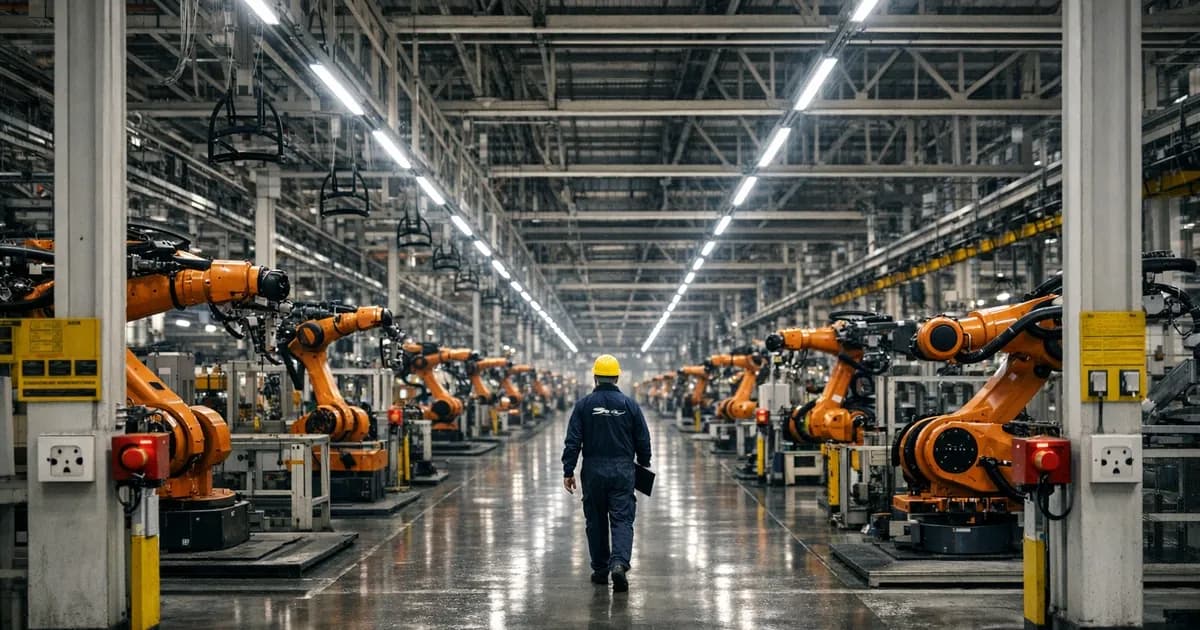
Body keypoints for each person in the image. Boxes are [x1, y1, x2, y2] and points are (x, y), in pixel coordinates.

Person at [561, 354, 652, 593]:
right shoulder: (630, 405)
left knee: (596, 520)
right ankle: (619, 564)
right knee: (622, 519)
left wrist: (568, 470)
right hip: (623, 470)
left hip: (593, 471)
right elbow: (643, 438)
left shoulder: (583, 405)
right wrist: (643, 462)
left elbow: (573, 441)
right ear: (617, 377)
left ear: (595, 377)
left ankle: (601, 571)